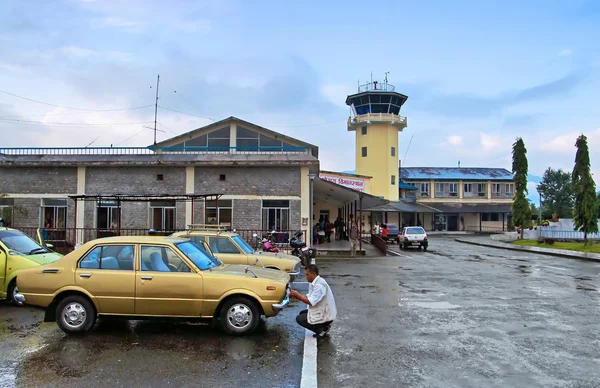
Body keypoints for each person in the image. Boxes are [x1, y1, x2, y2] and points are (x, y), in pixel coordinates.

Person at [290, 264, 337, 338]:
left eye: (307, 275)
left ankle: (321, 329)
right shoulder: (316, 282)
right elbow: (308, 297)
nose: (306, 277)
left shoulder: (319, 285)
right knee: (302, 313)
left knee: (299, 319)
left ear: (313, 274)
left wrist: (298, 295)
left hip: (326, 314)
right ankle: (324, 325)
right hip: (324, 311)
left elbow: (310, 302)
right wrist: (295, 296)